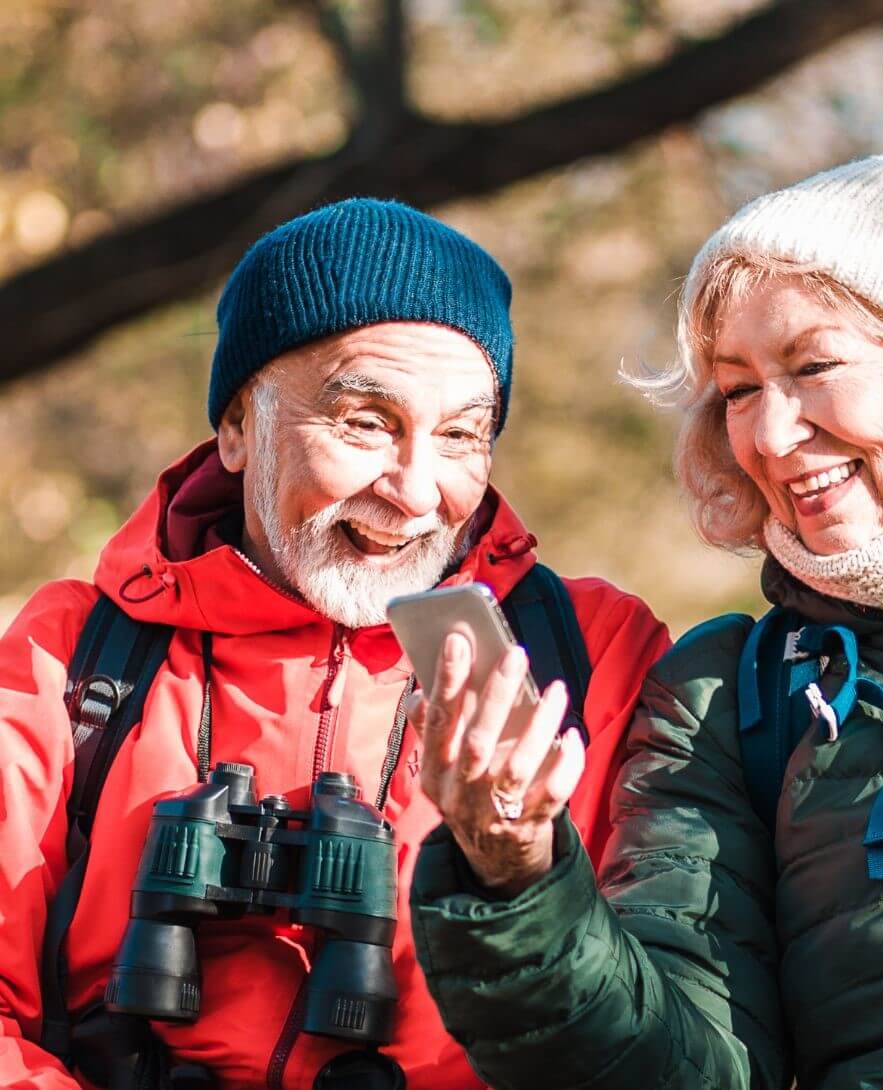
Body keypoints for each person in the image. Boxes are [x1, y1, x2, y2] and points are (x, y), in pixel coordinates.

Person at [407, 156, 883, 1089]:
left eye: (814, 367)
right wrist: (517, 880)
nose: (768, 435)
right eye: (738, 390)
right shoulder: (727, 696)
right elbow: (685, 1070)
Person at [0, 198, 671, 1090]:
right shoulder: (72, 658)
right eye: (365, 422)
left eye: (464, 435)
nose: (415, 490)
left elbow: (675, 1030)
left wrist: (521, 874)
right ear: (238, 427)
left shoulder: (590, 657)